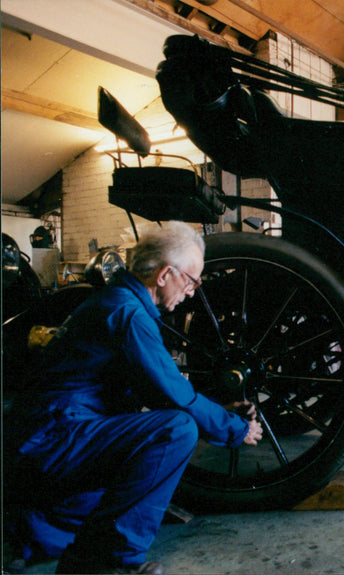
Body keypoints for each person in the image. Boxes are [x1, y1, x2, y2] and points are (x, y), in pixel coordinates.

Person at [4, 221, 263, 575]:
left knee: (169, 429)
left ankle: (40, 534)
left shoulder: (118, 301)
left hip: (44, 440)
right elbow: (174, 397)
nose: (191, 292)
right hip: (50, 441)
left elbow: (156, 391)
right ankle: (105, 561)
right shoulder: (127, 313)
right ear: (165, 275)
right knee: (176, 430)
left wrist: (217, 410)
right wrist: (234, 428)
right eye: (191, 280)